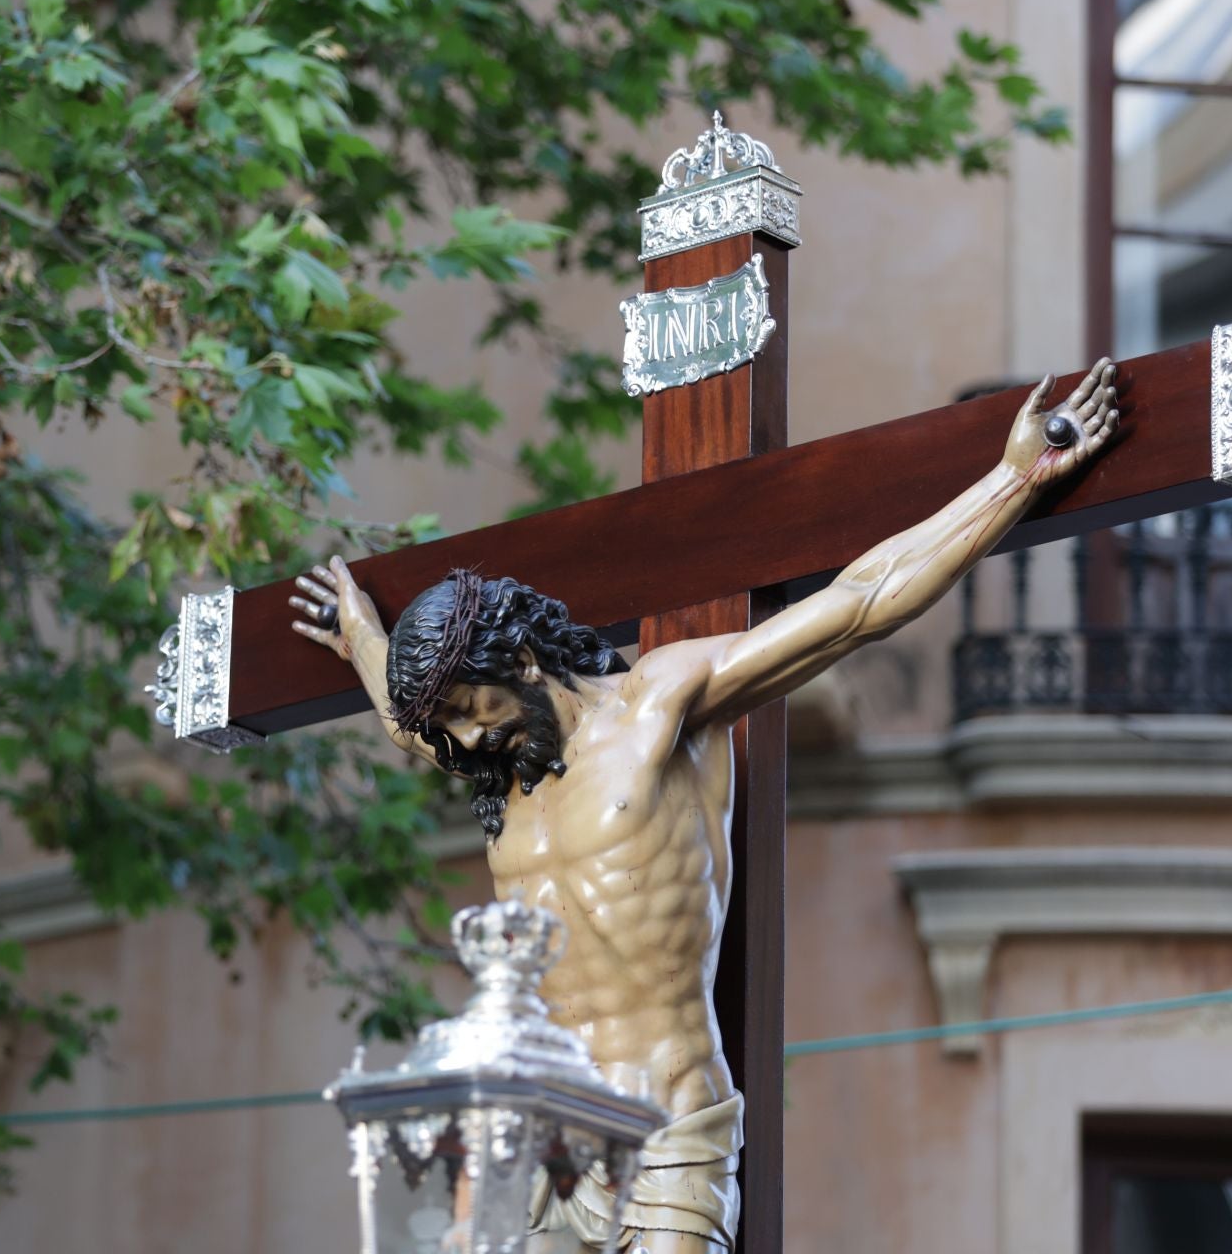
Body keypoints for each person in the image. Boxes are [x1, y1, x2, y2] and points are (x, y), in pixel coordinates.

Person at [291, 361, 1119, 1252]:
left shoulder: (656, 709)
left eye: (469, 707)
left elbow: (857, 606)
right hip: (538, 1143)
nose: (464, 739)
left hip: (665, 1132)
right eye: (447, 723)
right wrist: (366, 643)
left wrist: (1013, 478)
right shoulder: (501, 768)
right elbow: (409, 730)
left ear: (521, 663)